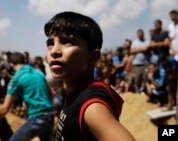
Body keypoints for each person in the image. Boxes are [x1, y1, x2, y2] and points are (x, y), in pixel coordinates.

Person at [44, 11, 135, 141]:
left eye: (67, 42)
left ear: (93, 57)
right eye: (50, 43)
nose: (54, 51)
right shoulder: (74, 93)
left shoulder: (91, 105)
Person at [0, 52, 54, 141]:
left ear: (11, 64)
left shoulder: (16, 79)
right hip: (49, 117)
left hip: (37, 118)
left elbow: (5, 108)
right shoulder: (38, 73)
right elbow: (52, 93)